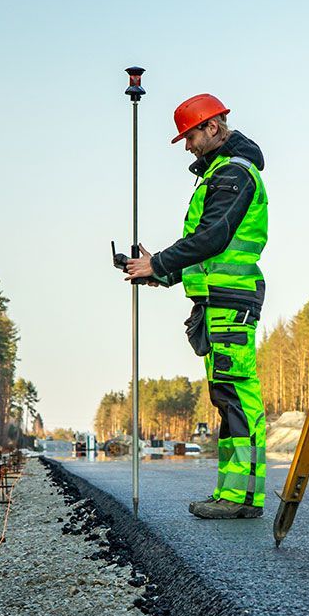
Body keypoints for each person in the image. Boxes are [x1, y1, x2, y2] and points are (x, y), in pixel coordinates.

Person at [123, 94, 268, 520]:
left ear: (212, 127)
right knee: (226, 396)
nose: (186, 146)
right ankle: (232, 494)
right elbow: (205, 252)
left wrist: (161, 261)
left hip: (230, 299)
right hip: (216, 299)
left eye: (189, 136)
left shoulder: (233, 175)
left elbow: (214, 236)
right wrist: (159, 273)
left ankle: (243, 498)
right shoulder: (218, 175)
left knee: (239, 395)